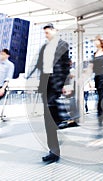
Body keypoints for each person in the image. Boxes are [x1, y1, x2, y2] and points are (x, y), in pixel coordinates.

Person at [27, 23, 71, 163]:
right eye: (45, 33)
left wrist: (66, 84)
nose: (46, 35)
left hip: (56, 85)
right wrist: (28, 76)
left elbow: (66, 66)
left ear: (55, 31)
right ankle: (53, 150)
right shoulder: (44, 47)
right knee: (48, 120)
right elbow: (38, 65)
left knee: (51, 118)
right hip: (45, 85)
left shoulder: (63, 45)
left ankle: (61, 125)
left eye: (48, 32)